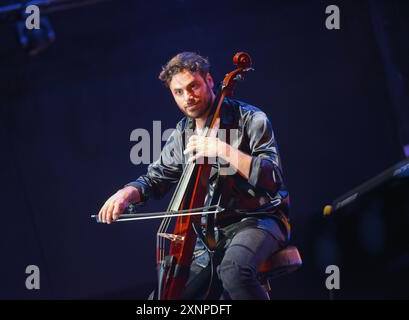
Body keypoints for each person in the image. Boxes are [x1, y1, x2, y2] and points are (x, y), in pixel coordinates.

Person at [97, 52, 291, 300]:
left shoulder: (251, 118)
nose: (188, 97)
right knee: (161, 300)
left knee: (233, 271)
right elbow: (155, 178)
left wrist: (222, 149)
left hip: (258, 219)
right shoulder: (182, 133)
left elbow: (271, 178)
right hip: (210, 235)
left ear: (209, 80)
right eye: (179, 92)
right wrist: (126, 193)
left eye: (193, 86)